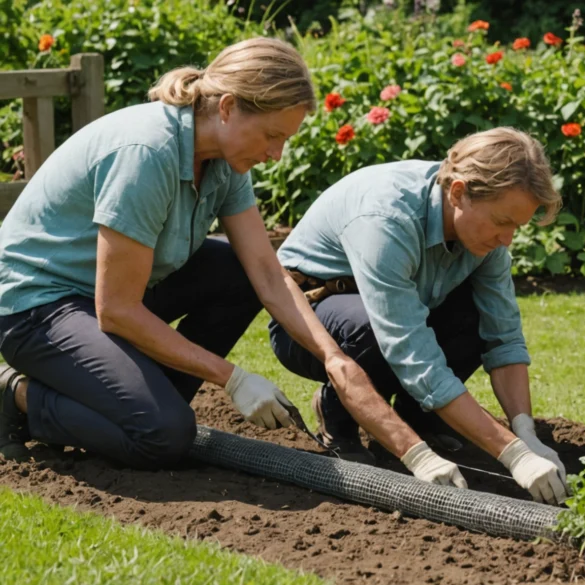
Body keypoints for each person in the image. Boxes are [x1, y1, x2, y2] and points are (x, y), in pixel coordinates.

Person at [0, 38, 462, 488]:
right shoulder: (147, 154)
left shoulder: (223, 159)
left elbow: (266, 271)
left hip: (113, 292)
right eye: (272, 135)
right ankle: (16, 396)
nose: (276, 153)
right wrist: (233, 378)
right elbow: (116, 309)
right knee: (161, 436)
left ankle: (135, 396)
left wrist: (334, 358)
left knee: (236, 273)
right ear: (226, 108)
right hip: (38, 306)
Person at [270, 127, 569, 504]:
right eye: (502, 221)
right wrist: (511, 455)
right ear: (458, 192)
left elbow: (502, 335)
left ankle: (422, 418)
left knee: (473, 313)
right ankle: (337, 417)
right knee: (367, 330)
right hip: (311, 323)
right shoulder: (387, 219)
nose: (507, 239)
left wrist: (526, 434)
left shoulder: (484, 233)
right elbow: (410, 351)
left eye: (517, 226)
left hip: (397, 315)